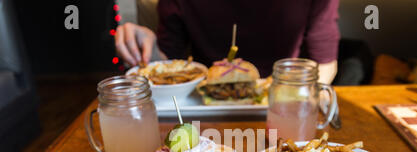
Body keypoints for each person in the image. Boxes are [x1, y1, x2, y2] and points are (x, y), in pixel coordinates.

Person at [115, 0, 340, 83]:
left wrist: (291, 95)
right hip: (205, 106)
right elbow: (170, 65)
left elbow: (324, 65)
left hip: (283, 95)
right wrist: (148, 47)